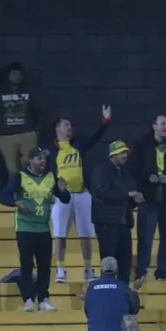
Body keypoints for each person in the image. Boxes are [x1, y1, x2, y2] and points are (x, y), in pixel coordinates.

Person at [0, 147, 70, 312]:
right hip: (25, 227)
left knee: (45, 265)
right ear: (30, 161)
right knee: (27, 265)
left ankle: (44, 298)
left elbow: (65, 199)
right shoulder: (21, 177)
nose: (43, 161)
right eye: (39, 158)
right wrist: (16, 203)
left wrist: (62, 190)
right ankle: (29, 299)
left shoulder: (51, 178)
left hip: (43, 228)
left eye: (44, 158)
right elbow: (3, 196)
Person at [46, 105, 111, 284]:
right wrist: (56, 189)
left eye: (70, 125)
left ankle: (88, 269)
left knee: (86, 234)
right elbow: (46, 174)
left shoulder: (79, 145)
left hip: (82, 194)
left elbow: (96, 138)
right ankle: (60, 269)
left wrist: (105, 122)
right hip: (62, 196)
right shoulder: (51, 151)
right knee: (59, 234)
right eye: (66, 125)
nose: (69, 128)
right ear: (57, 128)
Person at [131, 115, 166, 281]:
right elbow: (133, 168)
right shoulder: (142, 145)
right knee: (145, 238)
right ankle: (141, 271)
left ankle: (162, 271)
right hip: (148, 199)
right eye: (162, 124)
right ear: (154, 126)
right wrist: (147, 177)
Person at [0, 61, 46, 177]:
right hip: (6, 136)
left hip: (27, 134)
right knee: (12, 170)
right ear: (8, 75)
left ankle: (30, 192)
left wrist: (37, 131)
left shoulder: (29, 91)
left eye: (20, 74)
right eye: (14, 74)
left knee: (32, 166)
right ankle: (15, 194)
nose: (18, 77)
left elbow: (39, 110)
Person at [90, 141, 141, 284]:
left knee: (125, 263)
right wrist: (128, 194)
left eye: (125, 153)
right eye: (121, 153)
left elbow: (125, 198)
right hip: (107, 223)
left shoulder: (124, 173)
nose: (125, 156)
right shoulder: (102, 170)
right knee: (109, 264)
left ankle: (122, 294)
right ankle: (108, 293)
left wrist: (135, 200)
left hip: (123, 223)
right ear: (113, 155)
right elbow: (102, 193)